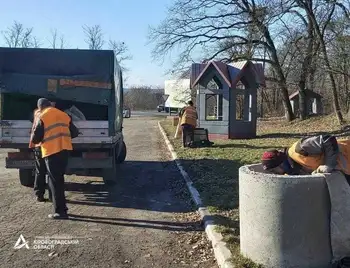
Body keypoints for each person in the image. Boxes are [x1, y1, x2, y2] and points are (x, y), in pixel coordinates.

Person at [30, 98, 79, 219]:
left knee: (55, 181)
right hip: (65, 150)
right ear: (50, 105)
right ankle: (62, 207)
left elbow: (36, 139)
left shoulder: (43, 116)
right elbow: (74, 132)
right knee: (59, 180)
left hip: (52, 151)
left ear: (40, 107)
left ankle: (60, 211)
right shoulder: (64, 115)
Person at [261, 134, 350, 183]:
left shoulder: (300, 148)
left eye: (275, 171)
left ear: (280, 164)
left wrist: (328, 164)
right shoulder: (295, 167)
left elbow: (328, 139)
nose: (277, 174)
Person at [29, 108, 51, 202]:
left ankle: (39, 195)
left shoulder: (36, 113)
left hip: (39, 146)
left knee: (40, 171)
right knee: (52, 172)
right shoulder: (48, 114)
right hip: (49, 146)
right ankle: (52, 195)